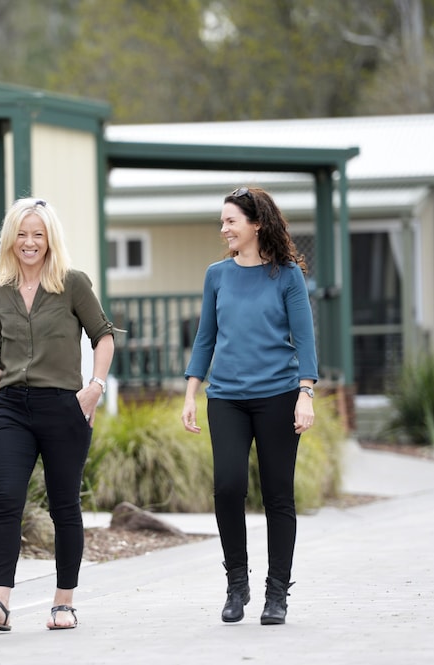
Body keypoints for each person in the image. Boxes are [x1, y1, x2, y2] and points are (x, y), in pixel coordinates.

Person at [0, 197, 115, 632]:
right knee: (6, 501)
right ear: (10, 238)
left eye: (38, 234)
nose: (29, 242)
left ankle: (64, 603)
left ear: (49, 239)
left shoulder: (72, 283)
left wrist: (94, 389)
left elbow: (103, 337)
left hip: (63, 407)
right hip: (12, 406)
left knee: (64, 505)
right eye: (22, 233)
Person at [181, 186, 318, 626]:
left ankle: (276, 593)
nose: (224, 230)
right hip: (226, 398)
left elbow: (306, 338)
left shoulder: (287, 276)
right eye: (222, 222)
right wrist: (191, 392)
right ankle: (236, 584)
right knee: (227, 487)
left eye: (230, 222)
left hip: (279, 397)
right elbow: (206, 338)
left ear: (255, 224)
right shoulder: (216, 275)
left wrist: (305, 393)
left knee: (278, 495)